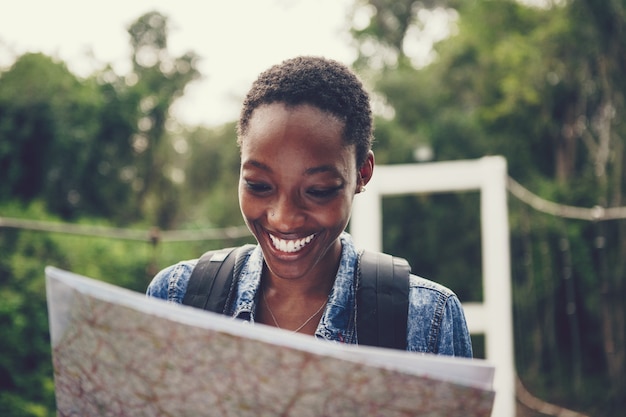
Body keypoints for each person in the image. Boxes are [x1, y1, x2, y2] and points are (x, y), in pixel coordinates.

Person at [147, 56, 473, 357]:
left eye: (318, 190)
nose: (284, 217)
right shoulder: (175, 297)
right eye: (259, 185)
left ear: (362, 173)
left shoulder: (429, 319)